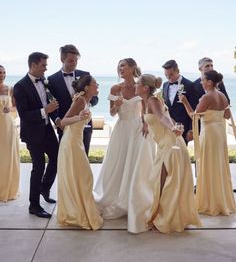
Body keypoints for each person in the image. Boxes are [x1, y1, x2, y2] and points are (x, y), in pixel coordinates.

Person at [94, 58, 156, 234]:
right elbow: (112, 113)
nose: (120, 69)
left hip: (138, 129)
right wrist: (117, 105)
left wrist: (146, 123)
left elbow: (145, 109)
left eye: (124, 66)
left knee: (136, 165)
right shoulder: (115, 88)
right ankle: (117, 198)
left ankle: (134, 198)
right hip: (121, 129)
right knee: (119, 163)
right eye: (119, 66)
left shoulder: (140, 85)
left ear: (132, 68)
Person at [135, 74, 201, 233]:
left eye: (138, 84)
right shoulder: (145, 101)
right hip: (165, 145)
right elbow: (157, 118)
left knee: (164, 182)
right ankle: (163, 216)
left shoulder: (152, 100)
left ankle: (165, 218)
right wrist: (145, 124)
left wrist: (173, 128)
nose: (135, 86)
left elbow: (163, 117)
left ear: (145, 87)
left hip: (171, 145)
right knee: (162, 182)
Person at [180, 70, 236, 216]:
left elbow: (194, 116)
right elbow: (227, 115)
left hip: (210, 134)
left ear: (209, 82)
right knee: (219, 165)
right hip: (220, 134)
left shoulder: (207, 97)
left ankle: (210, 202)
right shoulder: (222, 95)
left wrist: (185, 102)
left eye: (203, 80)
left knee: (209, 165)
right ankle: (221, 200)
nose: (200, 82)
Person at [13, 52, 59, 218]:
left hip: (47, 129)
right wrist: (45, 110)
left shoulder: (44, 82)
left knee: (57, 158)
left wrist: (55, 115)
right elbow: (24, 115)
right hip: (32, 133)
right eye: (43, 65)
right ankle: (34, 205)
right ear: (33, 65)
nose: (46, 68)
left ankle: (44, 188)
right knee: (38, 167)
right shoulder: (20, 87)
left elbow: (49, 103)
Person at [57, 75, 103, 230]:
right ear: (87, 88)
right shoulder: (81, 101)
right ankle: (76, 213)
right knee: (83, 176)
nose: (98, 86)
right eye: (95, 84)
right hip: (71, 143)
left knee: (80, 177)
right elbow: (63, 122)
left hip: (77, 142)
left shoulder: (85, 100)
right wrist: (78, 117)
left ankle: (79, 209)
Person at [48, 44, 98, 155]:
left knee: (83, 158)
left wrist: (86, 102)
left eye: (76, 60)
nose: (74, 63)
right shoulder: (52, 80)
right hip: (65, 126)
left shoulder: (85, 75)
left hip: (84, 125)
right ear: (62, 59)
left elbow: (95, 98)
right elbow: (51, 104)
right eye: (71, 61)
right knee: (67, 159)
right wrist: (57, 121)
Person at [162, 60, 198, 144]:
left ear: (177, 71)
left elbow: (194, 109)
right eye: (166, 75)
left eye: (171, 74)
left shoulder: (190, 85)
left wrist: (192, 129)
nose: (168, 77)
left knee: (180, 153)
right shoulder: (165, 85)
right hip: (168, 126)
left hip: (183, 128)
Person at [0, 65, 20, 202]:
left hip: (7, 126)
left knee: (6, 157)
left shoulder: (10, 89)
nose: (2, 75)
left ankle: (7, 189)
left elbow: (16, 106)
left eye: (4, 72)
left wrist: (9, 108)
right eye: (0, 73)